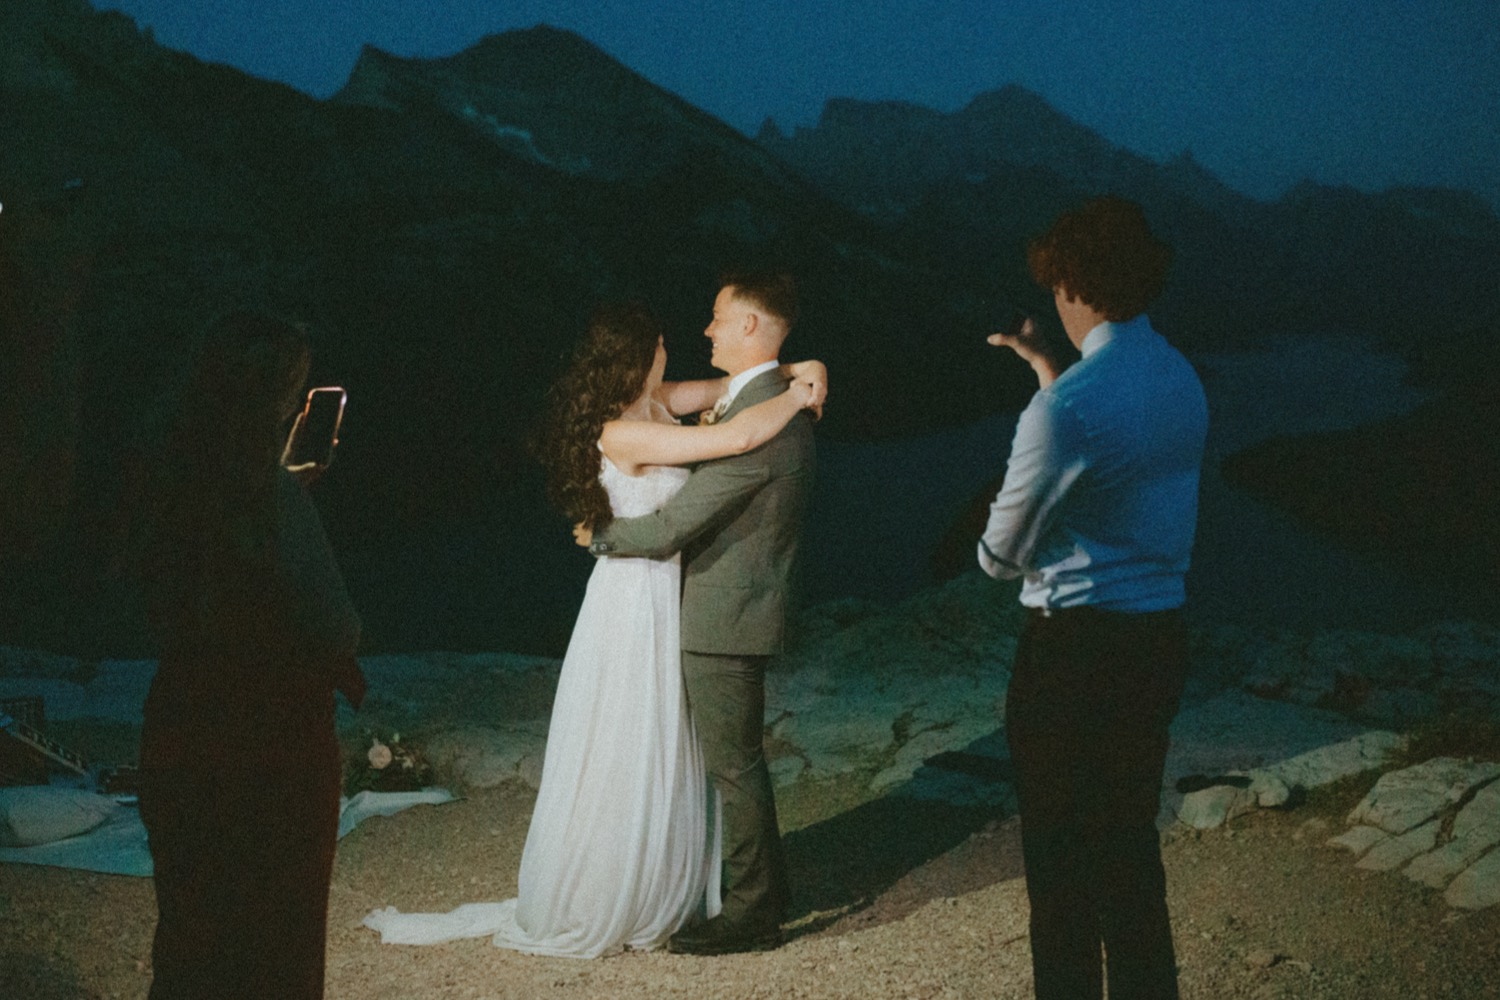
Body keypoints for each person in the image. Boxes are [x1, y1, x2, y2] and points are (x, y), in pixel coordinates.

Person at [363, 299, 825, 957]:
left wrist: (810, 368)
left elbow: (738, 387)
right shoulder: (622, 432)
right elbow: (736, 437)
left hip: (671, 595)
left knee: (672, 742)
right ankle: (623, 886)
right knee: (631, 740)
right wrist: (798, 398)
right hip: (636, 601)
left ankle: (678, 875)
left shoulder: (660, 400)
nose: (684, 343)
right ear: (642, 357)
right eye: (664, 343)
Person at [978, 197, 1207, 1000]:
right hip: (1157, 641)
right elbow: (1115, 461)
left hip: (1072, 657)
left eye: (1055, 287)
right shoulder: (1180, 377)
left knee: (1060, 869)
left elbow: (1001, 555)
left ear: (1072, 284)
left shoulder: (1066, 409)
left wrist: (1047, 392)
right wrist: (1046, 365)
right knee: (1126, 850)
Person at [584, 271, 815, 956]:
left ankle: (752, 911)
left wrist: (597, 536)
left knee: (734, 766)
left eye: (717, 318)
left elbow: (667, 527)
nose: (705, 330)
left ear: (750, 327)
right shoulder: (759, 400)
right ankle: (758, 888)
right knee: (730, 760)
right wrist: (809, 373)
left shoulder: (764, 422)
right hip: (707, 606)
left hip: (723, 614)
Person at [137, 310, 365, 1000]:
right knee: (275, 937)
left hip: (182, 719)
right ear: (274, 401)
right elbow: (339, 627)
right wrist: (287, 497)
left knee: (193, 927)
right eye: (294, 391)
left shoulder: (168, 487)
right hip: (272, 741)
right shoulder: (275, 503)